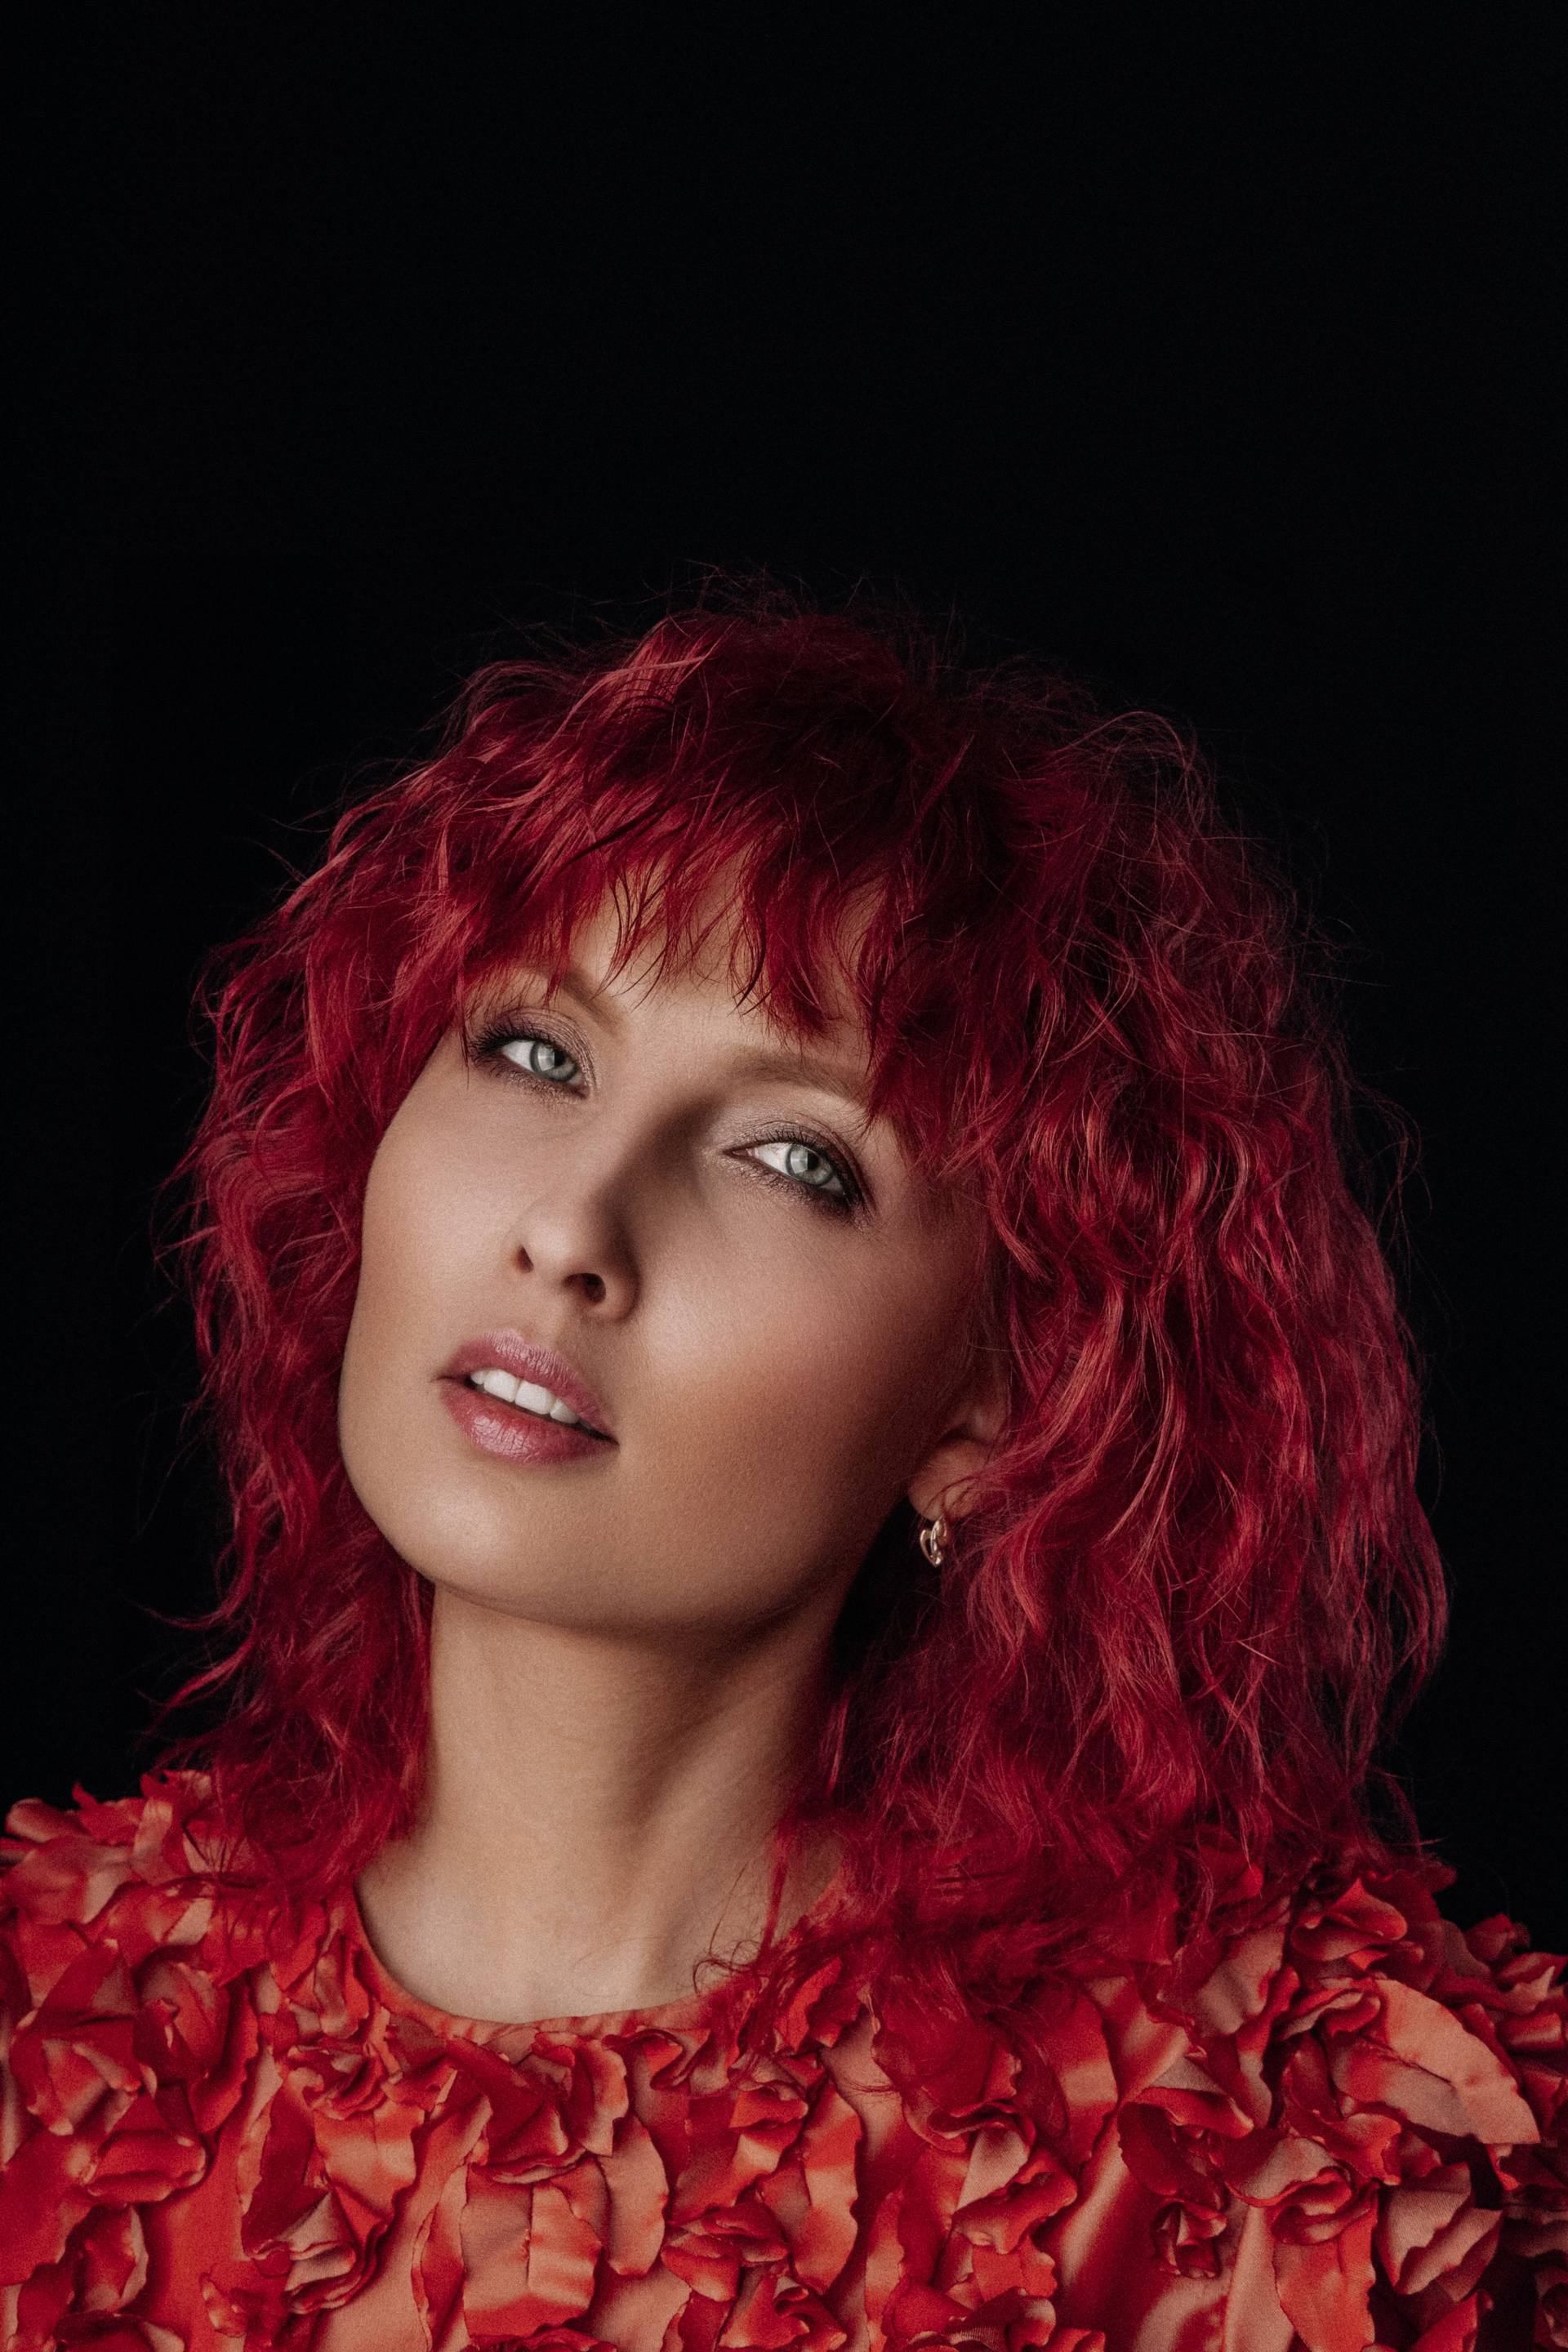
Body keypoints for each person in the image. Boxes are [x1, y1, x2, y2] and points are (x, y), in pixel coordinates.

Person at [2, 598, 1561, 2351]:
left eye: (793, 1158)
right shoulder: (42, 2030)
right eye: (535, 1051)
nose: (572, 1229)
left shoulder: (1288, 2154)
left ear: (1003, 1405)